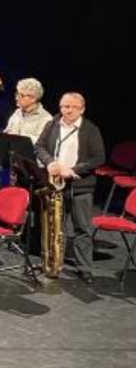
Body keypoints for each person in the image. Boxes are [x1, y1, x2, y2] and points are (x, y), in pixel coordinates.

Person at [35, 92, 105, 284]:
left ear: (82, 109)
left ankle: (84, 268)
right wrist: (50, 163)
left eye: (73, 107)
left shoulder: (90, 129)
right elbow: (39, 147)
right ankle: (54, 264)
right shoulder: (52, 124)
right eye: (65, 106)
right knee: (55, 227)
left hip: (80, 186)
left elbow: (99, 158)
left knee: (82, 228)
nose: (68, 110)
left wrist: (73, 170)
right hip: (55, 183)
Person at [4, 77, 54, 142]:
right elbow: (7, 133)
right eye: (17, 94)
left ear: (33, 98)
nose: (16, 98)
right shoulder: (17, 113)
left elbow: (41, 145)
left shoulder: (47, 120)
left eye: (21, 95)